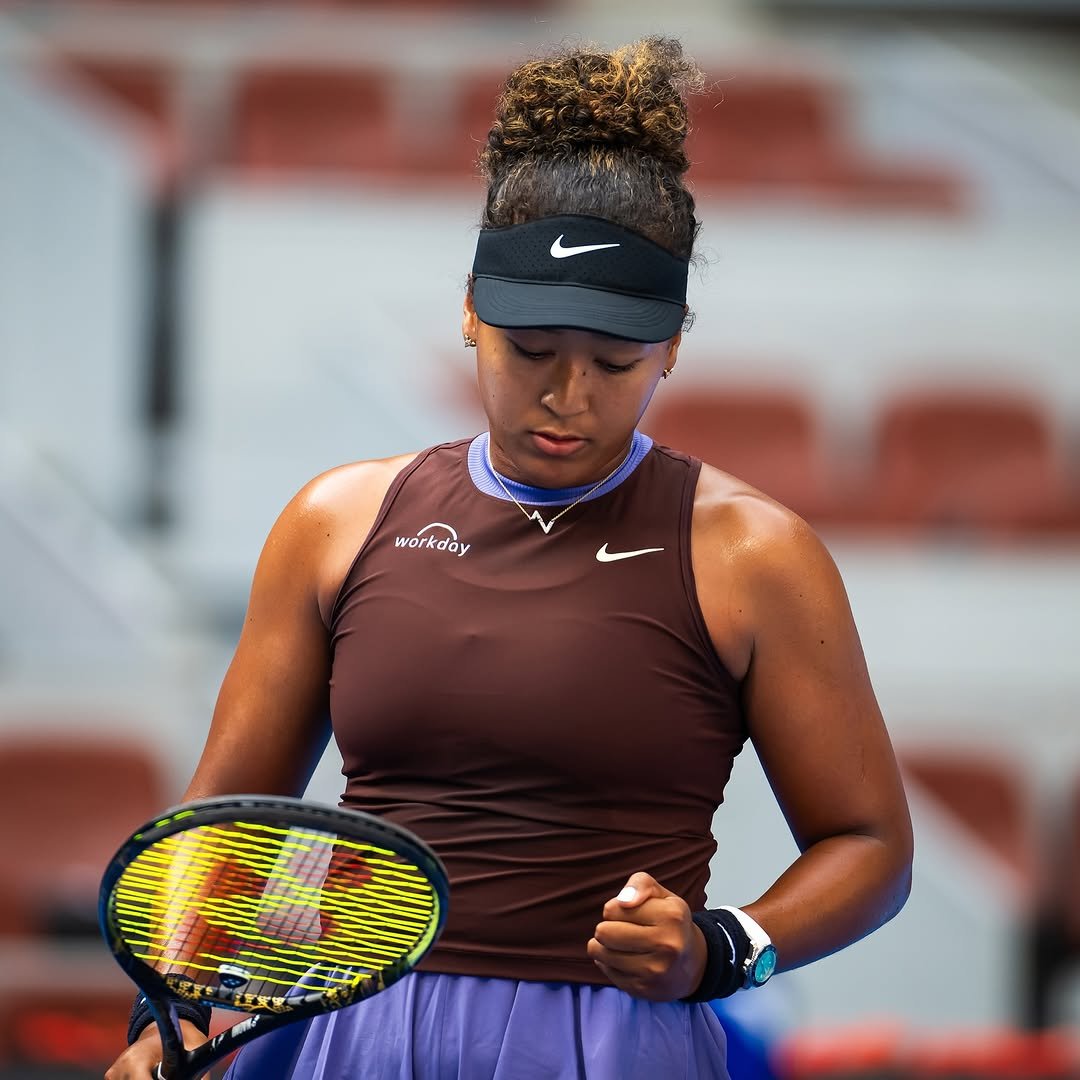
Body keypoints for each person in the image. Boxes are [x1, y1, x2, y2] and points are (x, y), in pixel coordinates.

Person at [106, 36, 913, 1080]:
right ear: (471, 313)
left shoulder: (756, 553)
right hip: (349, 1037)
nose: (568, 397)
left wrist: (723, 951)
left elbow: (871, 848)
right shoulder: (336, 519)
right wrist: (155, 1024)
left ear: (671, 346)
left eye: (616, 363)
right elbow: (218, 832)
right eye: (531, 351)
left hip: (614, 1044)